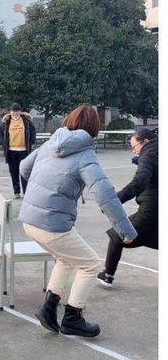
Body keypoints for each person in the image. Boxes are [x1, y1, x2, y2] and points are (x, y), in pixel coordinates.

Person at [19, 104, 136, 337]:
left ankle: (49, 308)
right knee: (90, 264)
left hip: (29, 220)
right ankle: (73, 316)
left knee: (66, 258)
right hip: (51, 225)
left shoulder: (51, 142)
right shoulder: (85, 154)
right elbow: (105, 195)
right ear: (94, 129)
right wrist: (126, 229)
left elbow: (24, 168)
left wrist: (43, 187)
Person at [98, 127, 158, 288]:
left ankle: (108, 275)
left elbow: (139, 182)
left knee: (118, 234)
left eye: (135, 147)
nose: (134, 151)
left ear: (145, 142)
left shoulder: (148, 155)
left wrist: (114, 202)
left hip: (152, 209)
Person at [0, 102, 36, 198]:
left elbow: (33, 131)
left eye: (17, 111)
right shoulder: (6, 122)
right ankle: (16, 191)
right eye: (13, 111)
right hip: (11, 151)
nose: (15, 113)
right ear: (10, 112)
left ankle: (26, 192)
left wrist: (31, 141)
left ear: (20, 111)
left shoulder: (26, 121)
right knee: (13, 172)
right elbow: (0, 133)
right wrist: (3, 143)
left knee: (24, 172)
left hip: (24, 151)